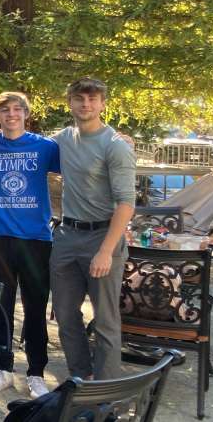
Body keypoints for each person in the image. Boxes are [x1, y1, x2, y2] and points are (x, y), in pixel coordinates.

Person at [0, 92, 59, 398]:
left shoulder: (45, 146)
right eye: (5, 110)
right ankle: (4, 369)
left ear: (26, 113)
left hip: (36, 237)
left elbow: (79, 165)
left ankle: (36, 373)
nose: (11, 114)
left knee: (36, 308)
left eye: (17, 109)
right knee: (3, 306)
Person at [50, 78, 135, 381]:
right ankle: (80, 379)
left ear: (102, 104)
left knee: (105, 320)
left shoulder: (115, 146)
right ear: (70, 103)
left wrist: (106, 251)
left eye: (92, 98)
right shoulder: (62, 139)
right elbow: (28, 145)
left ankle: (106, 393)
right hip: (67, 236)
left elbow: (126, 202)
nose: (86, 104)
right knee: (65, 314)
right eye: (79, 98)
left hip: (103, 237)